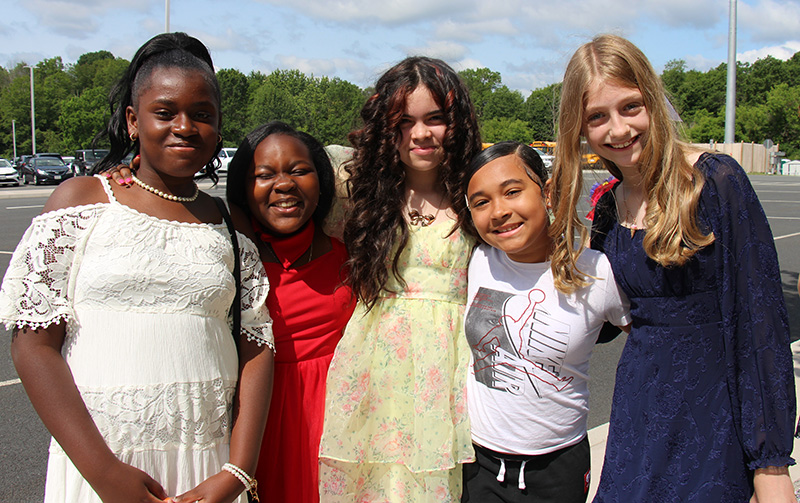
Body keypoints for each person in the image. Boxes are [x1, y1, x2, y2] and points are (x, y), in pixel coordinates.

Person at [0, 32, 274, 503]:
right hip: (104, 465)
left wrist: (237, 471)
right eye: (165, 112)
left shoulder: (228, 222)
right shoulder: (82, 201)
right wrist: (105, 474)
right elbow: (33, 346)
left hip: (207, 467)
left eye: (202, 115)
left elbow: (257, 345)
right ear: (133, 120)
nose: (184, 127)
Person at [551, 34, 797, 502]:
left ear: (653, 100)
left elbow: (760, 322)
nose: (618, 129)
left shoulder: (714, 181)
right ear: (579, 128)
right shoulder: (609, 207)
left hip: (714, 409)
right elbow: (597, 323)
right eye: (598, 117)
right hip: (640, 408)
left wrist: (770, 464)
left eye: (630, 107)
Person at [317, 56, 483, 501]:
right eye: (404, 122)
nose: (421, 134)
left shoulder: (477, 193)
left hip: (450, 367)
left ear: (457, 123)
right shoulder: (356, 189)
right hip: (373, 364)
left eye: (435, 119)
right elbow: (275, 174)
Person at [459, 141, 630, 503]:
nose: (499, 211)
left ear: (547, 193)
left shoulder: (595, 271)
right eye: (481, 202)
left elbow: (653, 342)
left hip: (557, 468)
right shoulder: (476, 261)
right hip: (479, 464)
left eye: (512, 191)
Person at [225, 120, 356, 502]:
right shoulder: (229, 261)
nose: (284, 185)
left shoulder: (350, 256)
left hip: (338, 427)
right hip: (257, 426)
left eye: (300, 170)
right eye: (264, 175)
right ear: (243, 190)